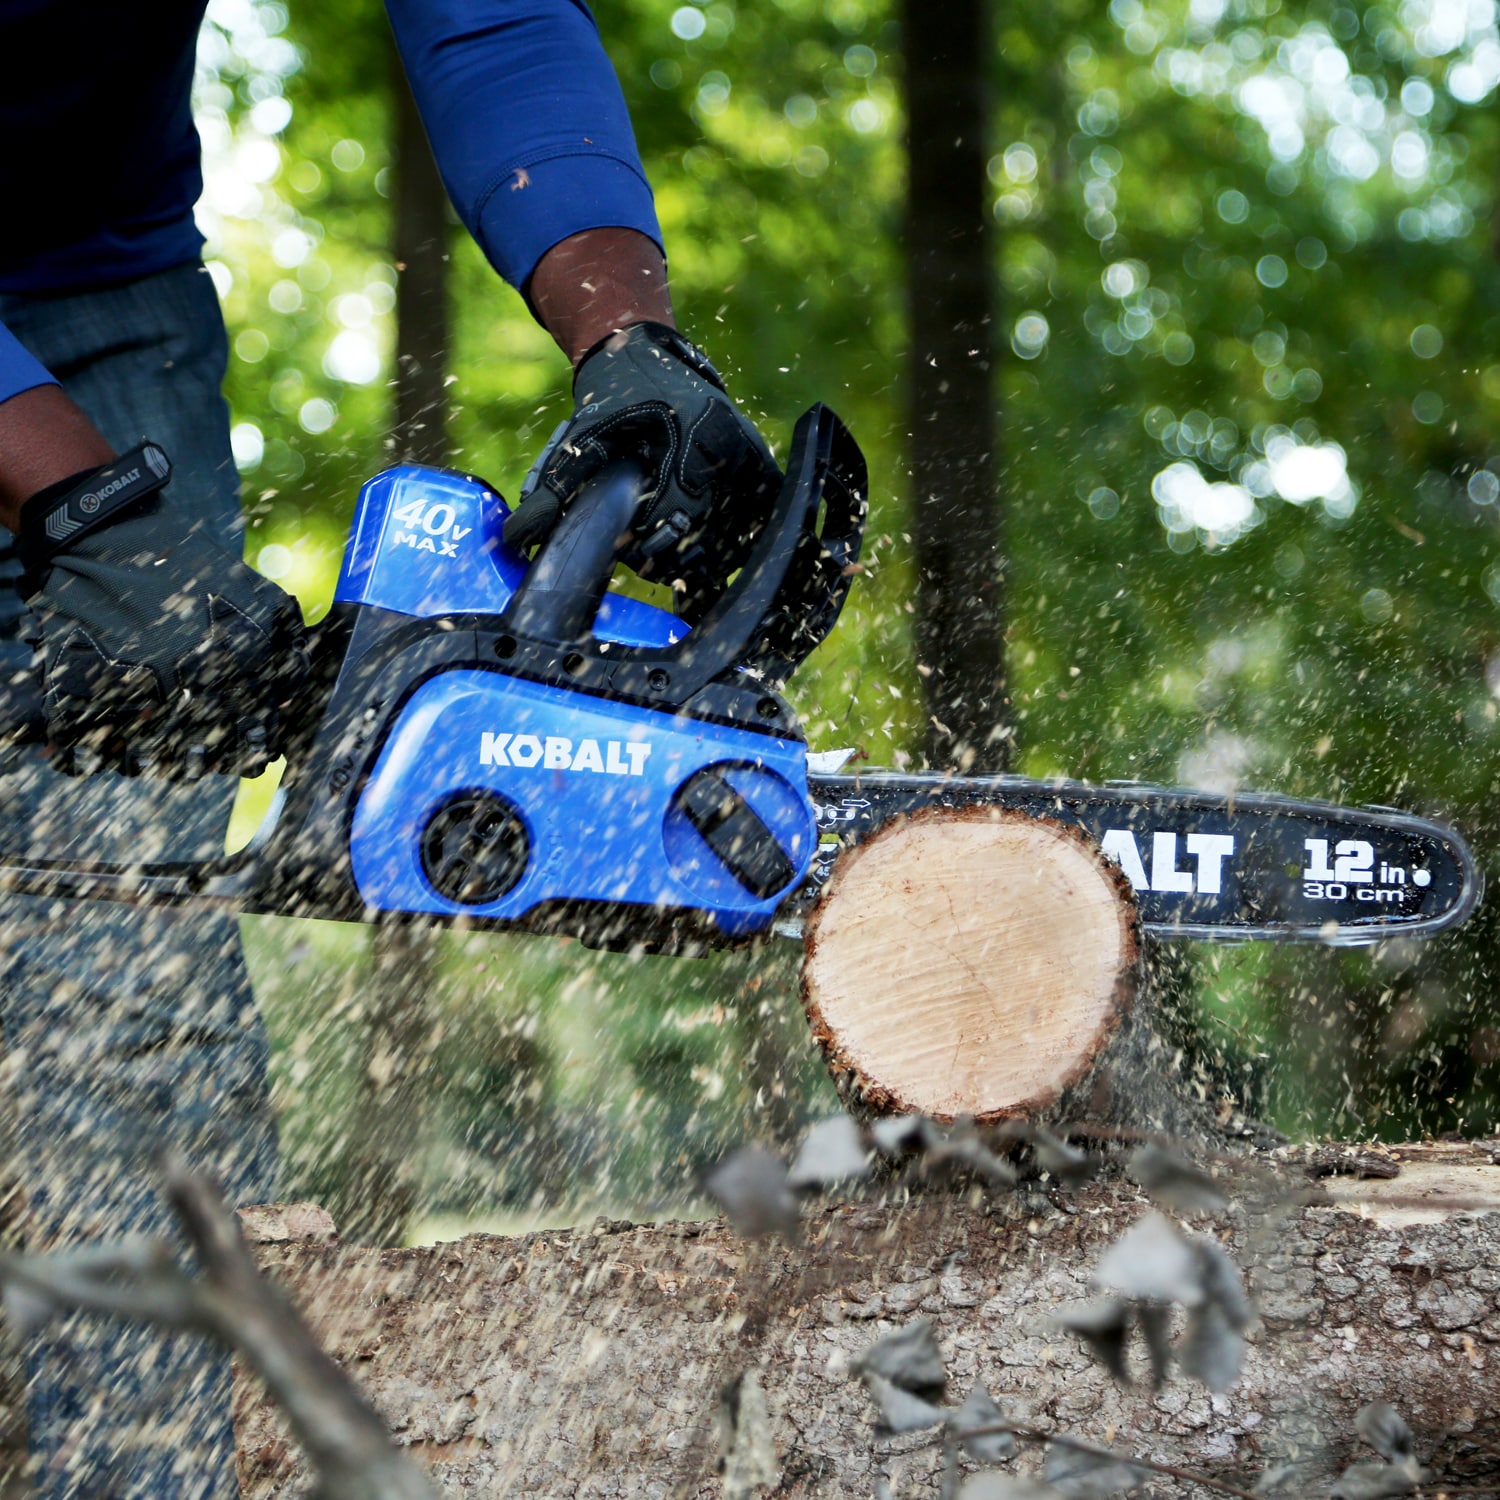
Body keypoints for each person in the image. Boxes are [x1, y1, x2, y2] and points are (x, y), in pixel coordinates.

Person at [0, 1, 778, 1493]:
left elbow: (488, 20)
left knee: (122, 987)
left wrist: (628, 339)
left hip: (104, 301)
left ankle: (151, 1465)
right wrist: (72, 500)